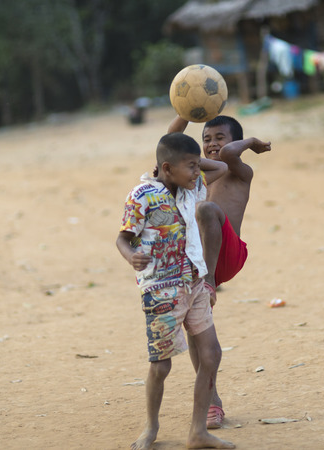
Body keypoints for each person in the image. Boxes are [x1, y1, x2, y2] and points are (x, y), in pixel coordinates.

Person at [116, 132, 235, 450]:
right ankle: (150, 426)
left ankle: (198, 431)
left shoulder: (193, 187)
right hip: (161, 289)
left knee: (211, 354)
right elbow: (122, 239)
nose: (198, 173)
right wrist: (132, 257)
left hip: (194, 282)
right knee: (161, 365)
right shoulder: (142, 194)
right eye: (191, 166)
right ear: (166, 168)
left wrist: (195, 160)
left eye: (198, 166)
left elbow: (219, 170)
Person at [168, 115, 271, 429]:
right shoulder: (196, 173)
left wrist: (251, 143)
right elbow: (169, 144)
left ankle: (210, 282)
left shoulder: (241, 171)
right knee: (195, 330)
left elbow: (228, 156)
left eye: (220, 138)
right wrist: (185, 112)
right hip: (197, 259)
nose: (213, 144)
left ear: (236, 143)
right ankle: (213, 403)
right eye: (207, 138)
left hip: (226, 255)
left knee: (206, 209)